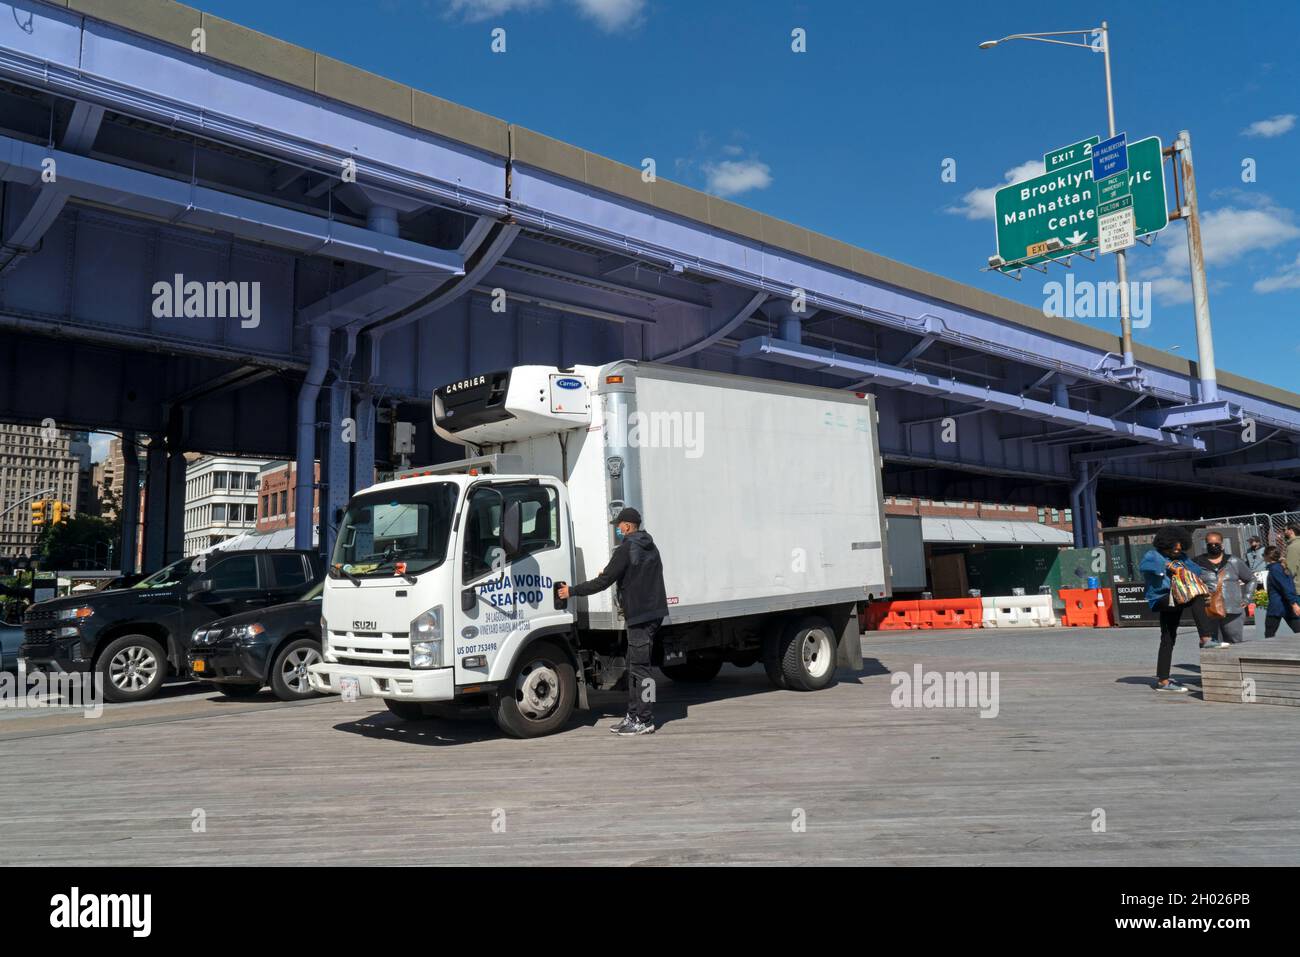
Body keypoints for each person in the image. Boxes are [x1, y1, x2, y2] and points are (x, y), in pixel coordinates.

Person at [557, 507, 668, 736]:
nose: (618, 528)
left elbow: (604, 581)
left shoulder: (627, 548)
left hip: (640, 615)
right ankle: (634, 714)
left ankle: (645, 719)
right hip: (652, 613)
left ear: (627, 526)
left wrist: (572, 591)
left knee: (642, 670)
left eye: (619, 525)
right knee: (636, 667)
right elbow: (640, 575)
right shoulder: (650, 545)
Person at [1139, 526, 1214, 693]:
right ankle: (1206, 638)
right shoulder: (1153, 555)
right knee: (1196, 598)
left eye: (1179, 549)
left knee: (1168, 637)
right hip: (1161, 599)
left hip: (1176, 599)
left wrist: (1182, 567)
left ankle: (1163, 681)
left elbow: (1196, 570)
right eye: (1173, 549)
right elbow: (1144, 566)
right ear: (1165, 545)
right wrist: (1168, 565)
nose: (1176, 552)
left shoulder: (1181, 557)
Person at [1194, 532, 1255, 647]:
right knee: (1211, 644)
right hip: (1209, 610)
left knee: (1234, 643)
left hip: (1232, 610)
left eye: (1216, 543)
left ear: (1222, 545)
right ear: (1206, 544)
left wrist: (1247, 598)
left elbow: (1251, 579)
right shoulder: (1197, 562)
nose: (1213, 546)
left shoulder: (1234, 561)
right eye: (1210, 544)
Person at [1263, 545, 1300, 638]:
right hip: (1285, 605)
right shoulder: (1280, 567)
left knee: (1269, 634)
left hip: (1278, 606)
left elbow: (1286, 587)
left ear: (1268, 556)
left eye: (1263, 554)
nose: (1263, 556)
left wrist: (1294, 604)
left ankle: (1270, 650)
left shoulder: (1276, 569)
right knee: (1297, 629)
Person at [1285, 524, 1300, 594]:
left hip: (1297, 588)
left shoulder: (1292, 547)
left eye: (1284, 530)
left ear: (1291, 531)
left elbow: (1290, 570)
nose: (1283, 532)